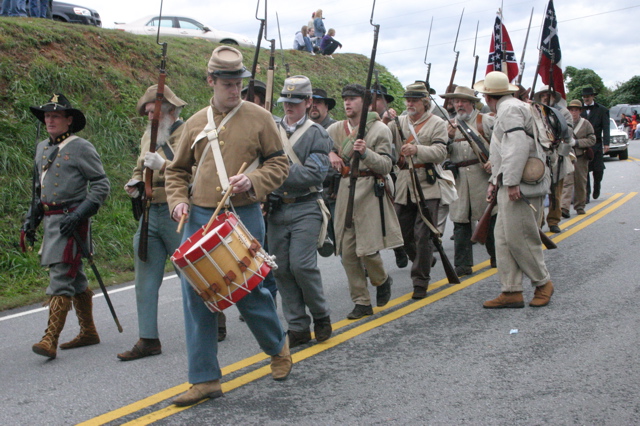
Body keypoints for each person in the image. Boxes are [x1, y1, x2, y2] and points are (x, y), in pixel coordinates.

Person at [165, 46, 291, 407]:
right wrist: (178, 202)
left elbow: (279, 164)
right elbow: (175, 171)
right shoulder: (194, 122)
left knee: (248, 290)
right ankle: (204, 379)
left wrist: (254, 182)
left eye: (238, 83)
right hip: (199, 218)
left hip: (242, 215)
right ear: (211, 81)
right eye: (227, 84)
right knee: (196, 298)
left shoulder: (259, 117)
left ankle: (277, 347)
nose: (235, 90)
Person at [22, 93, 110, 359]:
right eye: (47, 116)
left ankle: (50, 339)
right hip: (51, 221)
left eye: (56, 116)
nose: (50, 120)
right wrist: (31, 220)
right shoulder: (41, 148)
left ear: (68, 120)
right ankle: (89, 331)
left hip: (72, 223)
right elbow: (38, 191)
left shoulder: (81, 147)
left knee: (61, 277)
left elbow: (101, 185)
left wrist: (81, 212)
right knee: (77, 277)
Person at [117, 85, 187, 361]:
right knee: (145, 279)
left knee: (190, 274)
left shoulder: (186, 133)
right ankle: (148, 338)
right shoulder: (150, 136)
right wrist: (134, 182)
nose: (149, 117)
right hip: (150, 211)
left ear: (170, 110)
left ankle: (212, 321)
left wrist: (164, 163)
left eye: (153, 112)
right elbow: (140, 166)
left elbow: (191, 171)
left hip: (177, 210)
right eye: (147, 113)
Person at [474, 71, 554, 309]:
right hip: (510, 181)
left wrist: (510, 182)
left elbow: (517, 147)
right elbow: (502, 150)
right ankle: (511, 290)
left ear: (488, 96)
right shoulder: (511, 107)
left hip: (518, 184)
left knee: (520, 237)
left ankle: (543, 282)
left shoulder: (509, 110)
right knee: (503, 238)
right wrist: (494, 180)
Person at [327, 84, 403, 319]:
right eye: (345, 99)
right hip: (345, 190)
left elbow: (387, 166)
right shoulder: (335, 129)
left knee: (368, 251)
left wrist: (366, 152)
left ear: (365, 102)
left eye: (353, 99)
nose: (347, 103)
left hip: (370, 191)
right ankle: (361, 302)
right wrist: (329, 153)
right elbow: (321, 147)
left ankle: (382, 280)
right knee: (347, 253)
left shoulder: (380, 129)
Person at [268, 76, 333, 347]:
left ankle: (321, 316)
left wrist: (273, 171)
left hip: (307, 206)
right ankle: (297, 326)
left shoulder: (318, 133)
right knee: (281, 269)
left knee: (302, 266)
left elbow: (314, 174)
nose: (289, 107)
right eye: (286, 102)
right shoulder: (270, 129)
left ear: (308, 103)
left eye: (296, 102)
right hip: (276, 207)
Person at [388, 82, 448, 299]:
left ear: (424, 102)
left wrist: (417, 149)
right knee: (400, 233)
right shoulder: (400, 122)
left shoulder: (437, 123)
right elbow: (385, 139)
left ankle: (420, 281)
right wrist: (385, 120)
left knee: (423, 236)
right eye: (408, 99)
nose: (410, 103)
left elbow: (441, 152)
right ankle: (423, 260)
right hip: (404, 184)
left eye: (414, 99)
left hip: (427, 185)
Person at [440, 85, 495, 276]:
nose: (459, 104)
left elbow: (500, 145)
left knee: (488, 219)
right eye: (456, 101)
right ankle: (462, 265)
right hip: (459, 179)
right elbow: (440, 154)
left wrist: (494, 162)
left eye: (463, 101)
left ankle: (497, 257)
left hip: (483, 176)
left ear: (472, 103)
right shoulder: (448, 126)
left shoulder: (486, 121)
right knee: (460, 222)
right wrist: (448, 138)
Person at [532, 85, 573, 233]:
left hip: (558, 155)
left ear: (554, 97)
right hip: (541, 156)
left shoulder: (564, 113)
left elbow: (567, 132)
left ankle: (554, 221)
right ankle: (539, 220)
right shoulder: (535, 112)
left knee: (556, 191)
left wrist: (553, 118)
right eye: (543, 95)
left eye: (548, 95)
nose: (545, 97)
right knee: (540, 190)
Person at [310, 88, 338, 256]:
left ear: (326, 107)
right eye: (311, 103)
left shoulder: (336, 128)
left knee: (341, 234)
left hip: (334, 190)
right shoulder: (304, 130)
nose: (314, 106)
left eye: (318, 102)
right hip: (313, 192)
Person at [561, 99, 596, 216]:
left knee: (581, 183)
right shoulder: (564, 123)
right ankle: (564, 207)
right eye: (571, 110)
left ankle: (580, 206)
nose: (573, 112)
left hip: (580, 157)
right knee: (567, 183)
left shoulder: (585, 124)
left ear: (580, 111)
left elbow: (592, 139)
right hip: (568, 156)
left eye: (576, 110)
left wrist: (576, 142)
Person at [581, 87, 610, 201]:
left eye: (588, 96)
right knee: (585, 171)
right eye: (584, 97)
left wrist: (606, 143)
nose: (586, 99)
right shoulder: (579, 110)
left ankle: (597, 185)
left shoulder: (602, 110)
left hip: (597, 144)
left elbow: (606, 127)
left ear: (593, 96)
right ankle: (586, 194)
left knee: (598, 170)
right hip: (583, 144)